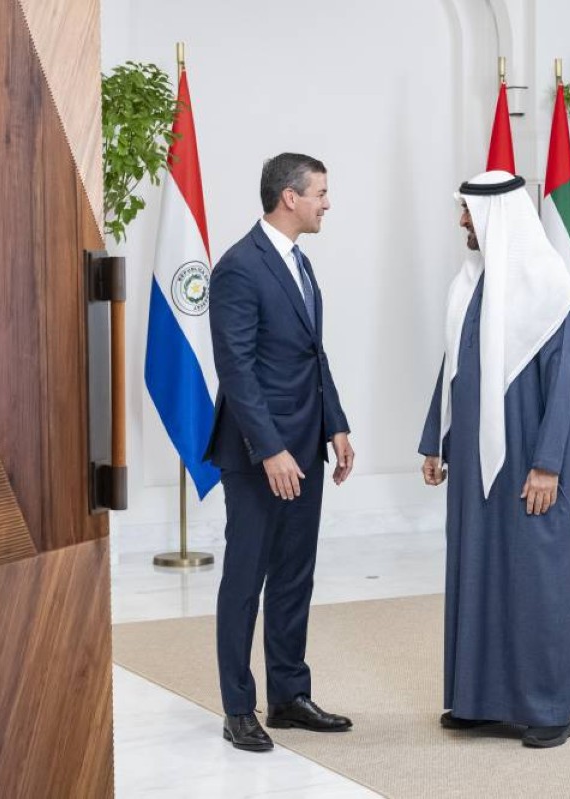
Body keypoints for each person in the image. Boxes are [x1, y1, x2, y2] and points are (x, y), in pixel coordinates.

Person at [419, 170, 570, 748]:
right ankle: (478, 700)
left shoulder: (552, 291)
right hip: (472, 462)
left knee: (538, 576)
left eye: (468, 211)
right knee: (477, 569)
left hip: (531, 461)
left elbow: (565, 388)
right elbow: (454, 365)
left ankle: (550, 708)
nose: (462, 221)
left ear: (497, 217)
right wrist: (435, 439)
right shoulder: (469, 285)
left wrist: (548, 465)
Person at [205, 152, 356, 752]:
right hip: (256, 455)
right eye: (320, 193)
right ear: (289, 197)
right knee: (245, 580)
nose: (327, 203)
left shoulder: (300, 263)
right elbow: (236, 369)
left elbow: (313, 355)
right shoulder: (238, 268)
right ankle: (238, 708)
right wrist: (269, 449)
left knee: (295, 576)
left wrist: (335, 426)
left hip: (306, 447)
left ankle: (289, 696)